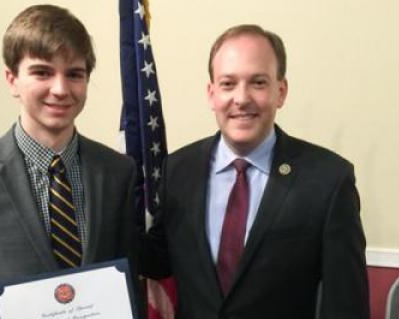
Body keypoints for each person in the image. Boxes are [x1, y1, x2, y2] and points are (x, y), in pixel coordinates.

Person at [142, 24, 369, 318]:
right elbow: (158, 261)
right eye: (228, 84)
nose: (242, 98)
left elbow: (346, 306)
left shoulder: (328, 180)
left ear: (281, 91)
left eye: (258, 83)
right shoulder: (178, 171)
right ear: (211, 94)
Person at [0, 5, 141, 318]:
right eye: (42, 72)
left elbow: (127, 284)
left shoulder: (117, 171)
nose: (60, 89)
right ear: (12, 79)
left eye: (74, 74)